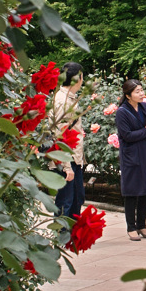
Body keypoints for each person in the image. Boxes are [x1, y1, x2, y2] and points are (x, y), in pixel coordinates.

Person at [115, 79, 146, 241]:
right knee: (132, 192)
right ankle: (131, 227)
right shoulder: (122, 112)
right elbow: (127, 136)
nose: (142, 94)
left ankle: (142, 225)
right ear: (128, 95)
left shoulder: (144, 107)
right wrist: (145, 129)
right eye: (137, 91)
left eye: (142, 90)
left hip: (145, 152)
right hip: (131, 155)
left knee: (144, 191)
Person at [49, 61, 85, 219]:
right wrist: (66, 166)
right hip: (66, 160)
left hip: (74, 157)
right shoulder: (61, 100)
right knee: (66, 202)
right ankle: (61, 239)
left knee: (77, 199)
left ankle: (72, 239)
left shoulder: (70, 97)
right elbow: (58, 134)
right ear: (78, 79)